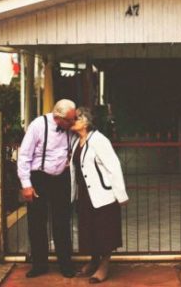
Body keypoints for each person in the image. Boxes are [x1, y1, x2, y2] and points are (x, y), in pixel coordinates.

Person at [17, 98, 77, 279]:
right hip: (39, 178)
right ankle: (39, 265)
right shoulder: (38, 125)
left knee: (62, 222)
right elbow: (24, 155)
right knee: (37, 222)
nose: (73, 123)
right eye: (70, 120)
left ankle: (65, 264)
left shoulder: (71, 127)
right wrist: (26, 185)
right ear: (58, 118)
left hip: (62, 178)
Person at [70, 107, 128, 284]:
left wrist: (121, 194)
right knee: (89, 230)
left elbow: (114, 166)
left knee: (105, 231)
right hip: (85, 194)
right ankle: (94, 260)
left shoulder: (99, 140)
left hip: (103, 193)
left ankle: (104, 265)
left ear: (85, 122)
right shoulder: (76, 141)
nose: (72, 122)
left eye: (76, 119)